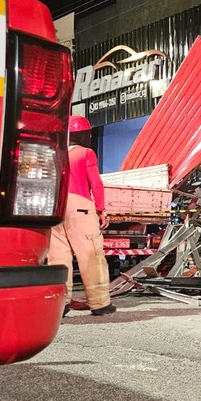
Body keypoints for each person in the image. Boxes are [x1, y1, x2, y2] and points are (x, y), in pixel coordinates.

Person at [48, 115, 115, 317]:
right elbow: (95, 183)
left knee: (58, 258)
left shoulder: (55, 154)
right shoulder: (86, 153)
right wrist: (101, 209)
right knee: (91, 255)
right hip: (81, 207)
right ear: (85, 135)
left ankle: (62, 304)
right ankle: (100, 303)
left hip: (56, 208)